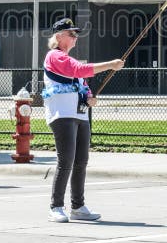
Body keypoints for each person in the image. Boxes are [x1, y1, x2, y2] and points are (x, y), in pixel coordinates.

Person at [43, 17, 125, 223]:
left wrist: (90, 98)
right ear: (59, 36)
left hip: (79, 114)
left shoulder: (70, 61)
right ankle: (56, 206)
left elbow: (82, 83)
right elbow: (79, 70)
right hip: (62, 115)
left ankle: (78, 206)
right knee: (66, 161)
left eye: (76, 34)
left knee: (81, 161)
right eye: (71, 34)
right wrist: (110, 65)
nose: (75, 38)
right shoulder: (55, 56)